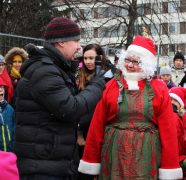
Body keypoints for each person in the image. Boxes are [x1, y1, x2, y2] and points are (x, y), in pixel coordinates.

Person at [78, 36, 183, 179]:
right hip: (113, 155)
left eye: (136, 62)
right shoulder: (111, 86)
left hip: (147, 156)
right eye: (128, 60)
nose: (130, 65)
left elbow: (168, 131)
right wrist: (91, 160)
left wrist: (169, 166)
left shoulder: (159, 88)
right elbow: (97, 126)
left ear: (146, 65)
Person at [14, 17, 106, 180]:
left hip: (52, 161)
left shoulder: (54, 68)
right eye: (76, 40)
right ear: (61, 42)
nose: (79, 47)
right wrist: (97, 85)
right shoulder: (44, 71)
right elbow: (70, 109)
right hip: (43, 166)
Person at [77, 43, 114, 180]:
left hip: (102, 127)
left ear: (100, 58)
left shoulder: (110, 75)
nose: (88, 62)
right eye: (85, 58)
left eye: (91, 58)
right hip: (83, 129)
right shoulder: (79, 75)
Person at [0, 77, 15, 152]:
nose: (0, 89)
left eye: (2, 87)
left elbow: (14, 130)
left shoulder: (10, 109)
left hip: (9, 153)